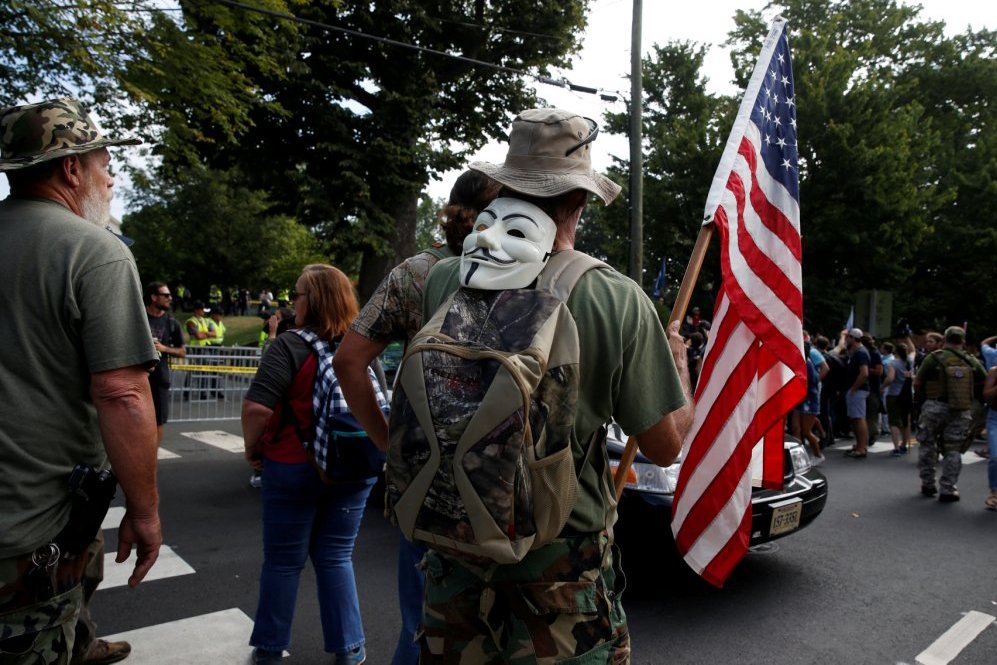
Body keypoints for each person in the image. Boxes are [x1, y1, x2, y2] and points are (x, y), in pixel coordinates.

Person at [410, 108, 693, 662]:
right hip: (559, 563)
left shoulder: (446, 276)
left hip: (454, 544)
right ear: (580, 200)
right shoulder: (613, 296)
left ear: (505, 184)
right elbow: (665, 445)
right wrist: (680, 367)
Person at [0, 98, 161, 664]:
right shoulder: (95, 252)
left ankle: (83, 639)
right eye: (105, 165)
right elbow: (122, 393)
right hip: (32, 528)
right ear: (72, 168)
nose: (111, 179)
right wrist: (144, 513)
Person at [333, 169, 499, 665]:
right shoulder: (535, 269)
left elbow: (347, 360)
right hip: (503, 474)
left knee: (423, 623)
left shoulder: (416, 273)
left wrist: (388, 441)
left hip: (425, 475)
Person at [242, 265, 380, 665]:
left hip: (291, 466)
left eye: (297, 293)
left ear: (314, 300)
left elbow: (255, 408)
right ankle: (350, 648)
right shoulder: (361, 349)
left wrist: (253, 450)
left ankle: (269, 649)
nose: (292, 301)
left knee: (283, 562)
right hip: (352, 469)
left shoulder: (287, 346)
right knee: (336, 556)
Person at [913, 325, 986, 502]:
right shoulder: (970, 361)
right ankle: (948, 488)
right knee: (954, 449)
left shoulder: (934, 358)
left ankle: (928, 483)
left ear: (945, 339)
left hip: (934, 406)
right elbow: (984, 380)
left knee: (927, 445)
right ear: (963, 341)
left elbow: (917, 382)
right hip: (960, 409)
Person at [145, 281, 186, 446]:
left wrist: (164, 348)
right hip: (137, 377)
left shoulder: (171, 322)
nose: (170, 298)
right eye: (166, 295)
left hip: (160, 379)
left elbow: (182, 352)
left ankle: (152, 456)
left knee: (158, 420)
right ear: (154, 297)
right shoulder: (139, 317)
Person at [839, 328, 871, 458]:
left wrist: (854, 388)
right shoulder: (857, 352)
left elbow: (864, 373)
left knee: (859, 418)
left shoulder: (861, 353)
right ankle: (859, 445)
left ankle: (861, 448)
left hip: (858, 390)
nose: (846, 340)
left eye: (848, 337)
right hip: (856, 389)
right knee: (855, 418)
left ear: (853, 338)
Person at [882, 342, 913, 456]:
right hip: (908, 394)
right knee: (905, 420)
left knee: (894, 421)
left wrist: (883, 386)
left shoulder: (893, 363)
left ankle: (896, 447)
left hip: (895, 393)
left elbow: (890, 378)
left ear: (896, 352)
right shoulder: (910, 361)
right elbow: (913, 351)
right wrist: (908, 339)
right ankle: (904, 445)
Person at [982, 365, 997, 510]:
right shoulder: (994, 371)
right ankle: (994, 492)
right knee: (995, 457)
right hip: (995, 418)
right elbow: (986, 395)